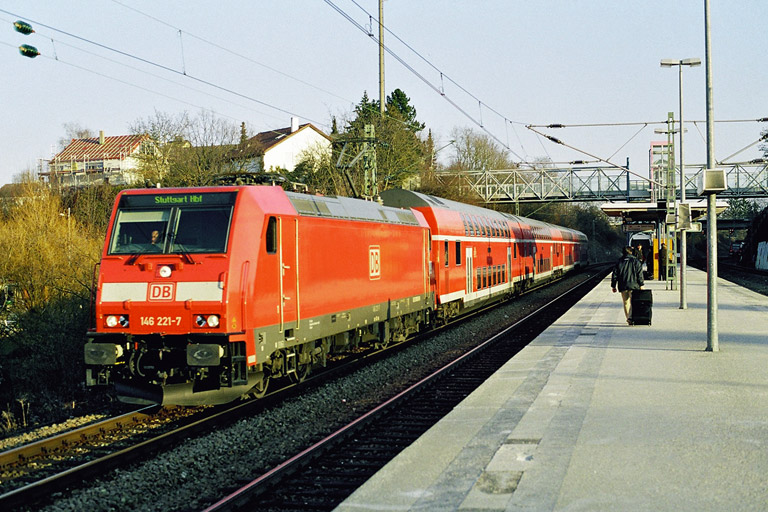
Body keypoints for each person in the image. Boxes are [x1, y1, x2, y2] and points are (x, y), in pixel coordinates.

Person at [611, 246, 644, 325]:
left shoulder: (619, 261)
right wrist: (641, 284)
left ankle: (628, 318)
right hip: (634, 285)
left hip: (623, 285)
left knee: (626, 302)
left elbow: (614, 274)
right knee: (633, 302)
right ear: (631, 252)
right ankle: (631, 317)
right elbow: (639, 274)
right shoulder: (636, 261)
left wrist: (613, 285)